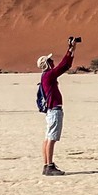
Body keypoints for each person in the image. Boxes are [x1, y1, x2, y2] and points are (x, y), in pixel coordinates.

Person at [38, 37, 76, 175]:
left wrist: (71, 51)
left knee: (48, 138)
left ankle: (47, 165)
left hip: (51, 111)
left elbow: (64, 66)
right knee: (51, 139)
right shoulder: (48, 75)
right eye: (50, 60)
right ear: (47, 64)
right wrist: (70, 50)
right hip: (54, 111)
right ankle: (49, 166)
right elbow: (63, 66)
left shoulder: (46, 76)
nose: (52, 61)